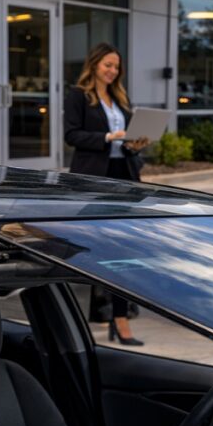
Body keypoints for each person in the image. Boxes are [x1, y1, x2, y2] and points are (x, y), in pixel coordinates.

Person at [64, 42, 150, 346]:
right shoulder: (78, 96)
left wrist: (133, 145)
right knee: (93, 249)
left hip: (123, 176)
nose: (113, 71)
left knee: (121, 248)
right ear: (95, 64)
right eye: (108, 65)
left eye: (116, 67)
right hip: (92, 180)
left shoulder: (119, 99)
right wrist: (106, 136)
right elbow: (71, 135)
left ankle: (120, 319)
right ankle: (80, 319)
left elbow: (124, 143)